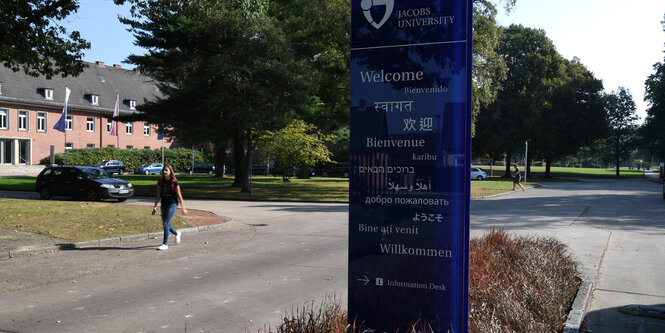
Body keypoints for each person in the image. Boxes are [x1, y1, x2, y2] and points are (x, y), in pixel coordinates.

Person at [152, 165, 188, 250]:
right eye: (163, 170)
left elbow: (180, 196)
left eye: (166, 170)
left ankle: (165, 244)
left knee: (165, 223)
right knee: (166, 223)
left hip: (172, 204)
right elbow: (158, 196)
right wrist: (155, 206)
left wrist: (183, 207)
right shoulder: (160, 182)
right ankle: (177, 233)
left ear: (170, 172)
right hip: (164, 204)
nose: (164, 172)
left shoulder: (174, 182)